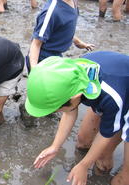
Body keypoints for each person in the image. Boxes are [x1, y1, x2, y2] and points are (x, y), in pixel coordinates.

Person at [25, 51, 129, 185]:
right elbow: (69, 110)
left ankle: (102, 175)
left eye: (58, 109)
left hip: (119, 96)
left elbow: (105, 134)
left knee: (109, 165)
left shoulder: (112, 98)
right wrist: (55, 146)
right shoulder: (69, 73)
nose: (58, 111)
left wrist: (84, 165)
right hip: (109, 93)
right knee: (83, 141)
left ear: (74, 97)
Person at [27, 0, 95, 72]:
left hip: (56, 56)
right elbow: (36, 44)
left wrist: (78, 42)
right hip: (43, 58)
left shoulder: (73, 2)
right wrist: (34, 70)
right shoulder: (51, 12)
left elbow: (63, 29)